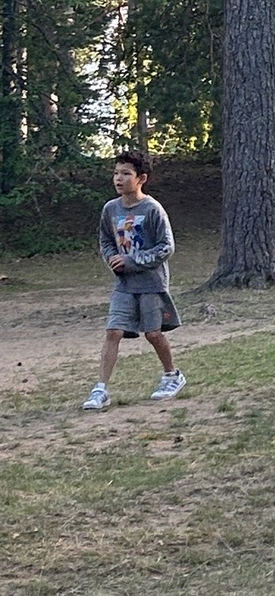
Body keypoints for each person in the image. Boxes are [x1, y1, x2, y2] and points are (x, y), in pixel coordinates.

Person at [83, 149, 185, 410]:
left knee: (153, 334)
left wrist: (132, 261)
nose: (119, 178)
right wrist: (112, 259)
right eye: (116, 173)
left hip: (151, 284)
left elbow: (166, 247)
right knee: (113, 331)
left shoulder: (152, 209)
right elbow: (106, 239)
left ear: (141, 178)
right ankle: (100, 390)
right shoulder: (110, 209)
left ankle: (172, 375)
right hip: (124, 285)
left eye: (126, 174)